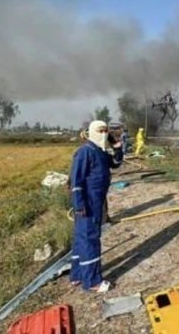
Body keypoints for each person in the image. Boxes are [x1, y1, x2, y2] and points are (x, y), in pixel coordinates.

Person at [69, 120, 124, 292]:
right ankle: (93, 281)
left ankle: (77, 275)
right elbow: (76, 181)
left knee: (81, 239)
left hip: (97, 201)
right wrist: (79, 205)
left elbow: (116, 163)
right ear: (92, 132)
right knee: (90, 239)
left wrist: (117, 147)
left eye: (106, 131)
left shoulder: (100, 152)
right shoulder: (85, 152)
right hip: (87, 203)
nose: (104, 134)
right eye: (100, 131)